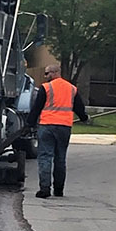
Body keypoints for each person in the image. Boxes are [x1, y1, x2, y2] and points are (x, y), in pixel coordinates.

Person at [27, 64, 89, 199]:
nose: (45, 76)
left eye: (47, 73)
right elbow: (79, 108)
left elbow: (37, 108)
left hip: (47, 126)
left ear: (55, 72)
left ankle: (44, 189)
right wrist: (84, 118)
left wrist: (30, 123)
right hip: (64, 128)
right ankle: (59, 190)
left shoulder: (46, 88)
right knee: (60, 158)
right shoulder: (72, 89)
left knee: (45, 157)